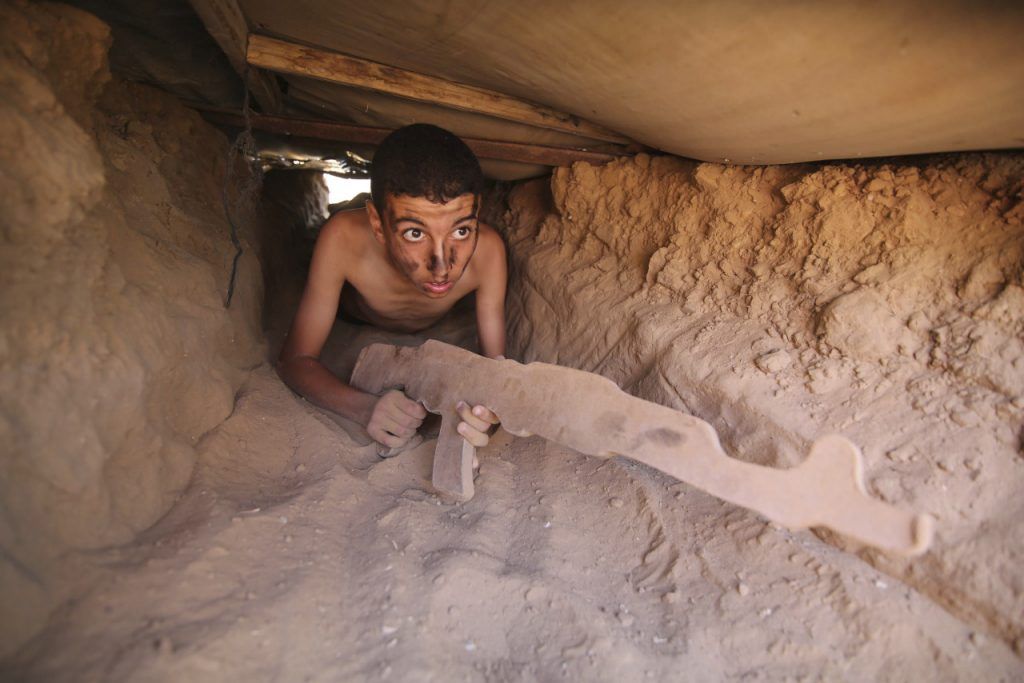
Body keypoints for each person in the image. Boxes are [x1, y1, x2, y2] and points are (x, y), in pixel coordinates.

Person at [277, 123, 505, 453]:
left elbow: (496, 368)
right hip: (356, 316)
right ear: (377, 224)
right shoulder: (342, 239)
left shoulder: (489, 253)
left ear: (477, 213)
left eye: (461, 231)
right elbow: (295, 360)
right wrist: (365, 407)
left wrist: (488, 413)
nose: (442, 266)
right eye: (415, 233)